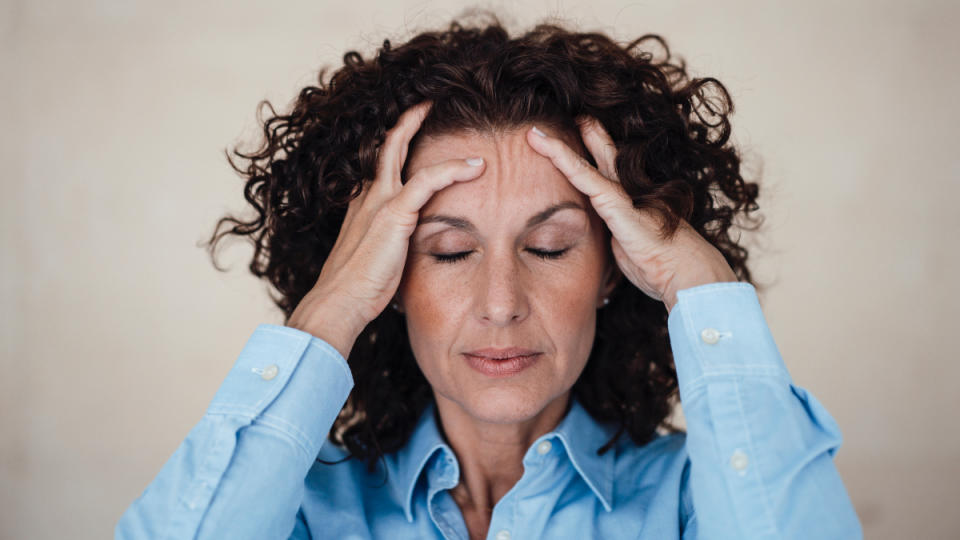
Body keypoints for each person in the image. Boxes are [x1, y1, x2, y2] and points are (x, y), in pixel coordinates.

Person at [116, 17, 861, 539]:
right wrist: (328, 312)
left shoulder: (692, 504)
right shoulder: (302, 512)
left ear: (614, 271)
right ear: (389, 281)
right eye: (447, 252)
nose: (501, 304)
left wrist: (699, 288)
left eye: (549, 247)